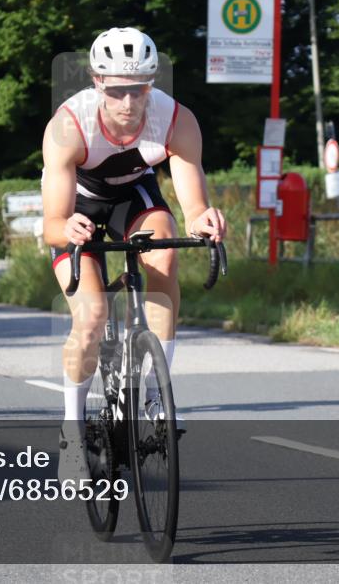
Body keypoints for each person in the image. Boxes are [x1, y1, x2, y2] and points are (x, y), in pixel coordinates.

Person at [41, 27, 227, 482]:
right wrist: (66, 227)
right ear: (96, 81)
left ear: (152, 84)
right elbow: (52, 223)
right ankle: (71, 430)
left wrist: (202, 218)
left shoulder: (176, 119)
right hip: (78, 207)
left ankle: (156, 394)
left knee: (163, 256)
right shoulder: (69, 124)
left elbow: (192, 202)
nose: (128, 102)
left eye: (139, 89)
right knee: (91, 317)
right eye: (118, 90)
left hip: (134, 197)